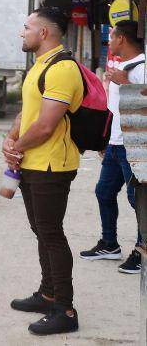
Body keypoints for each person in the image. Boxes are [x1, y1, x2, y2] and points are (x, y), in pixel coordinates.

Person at [3, 7, 83, 336]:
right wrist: (11, 139)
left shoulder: (63, 68)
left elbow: (47, 125)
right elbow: (28, 112)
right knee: (41, 231)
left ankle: (64, 308)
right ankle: (47, 292)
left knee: (51, 234)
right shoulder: (40, 65)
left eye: (26, 27)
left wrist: (17, 147)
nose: (22, 33)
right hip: (32, 163)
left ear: (44, 33)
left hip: (52, 164)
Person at [79, 20, 145, 273]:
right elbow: (116, 110)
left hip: (135, 146)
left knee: (137, 200)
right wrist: (106, 140)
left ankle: (142, 252)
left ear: (122, 39)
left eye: (112, 37)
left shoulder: (140, 68)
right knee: (104, 192)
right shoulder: (125, 67)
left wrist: (125, 83)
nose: (109, 42)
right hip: (117, 144)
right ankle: (109, 243)